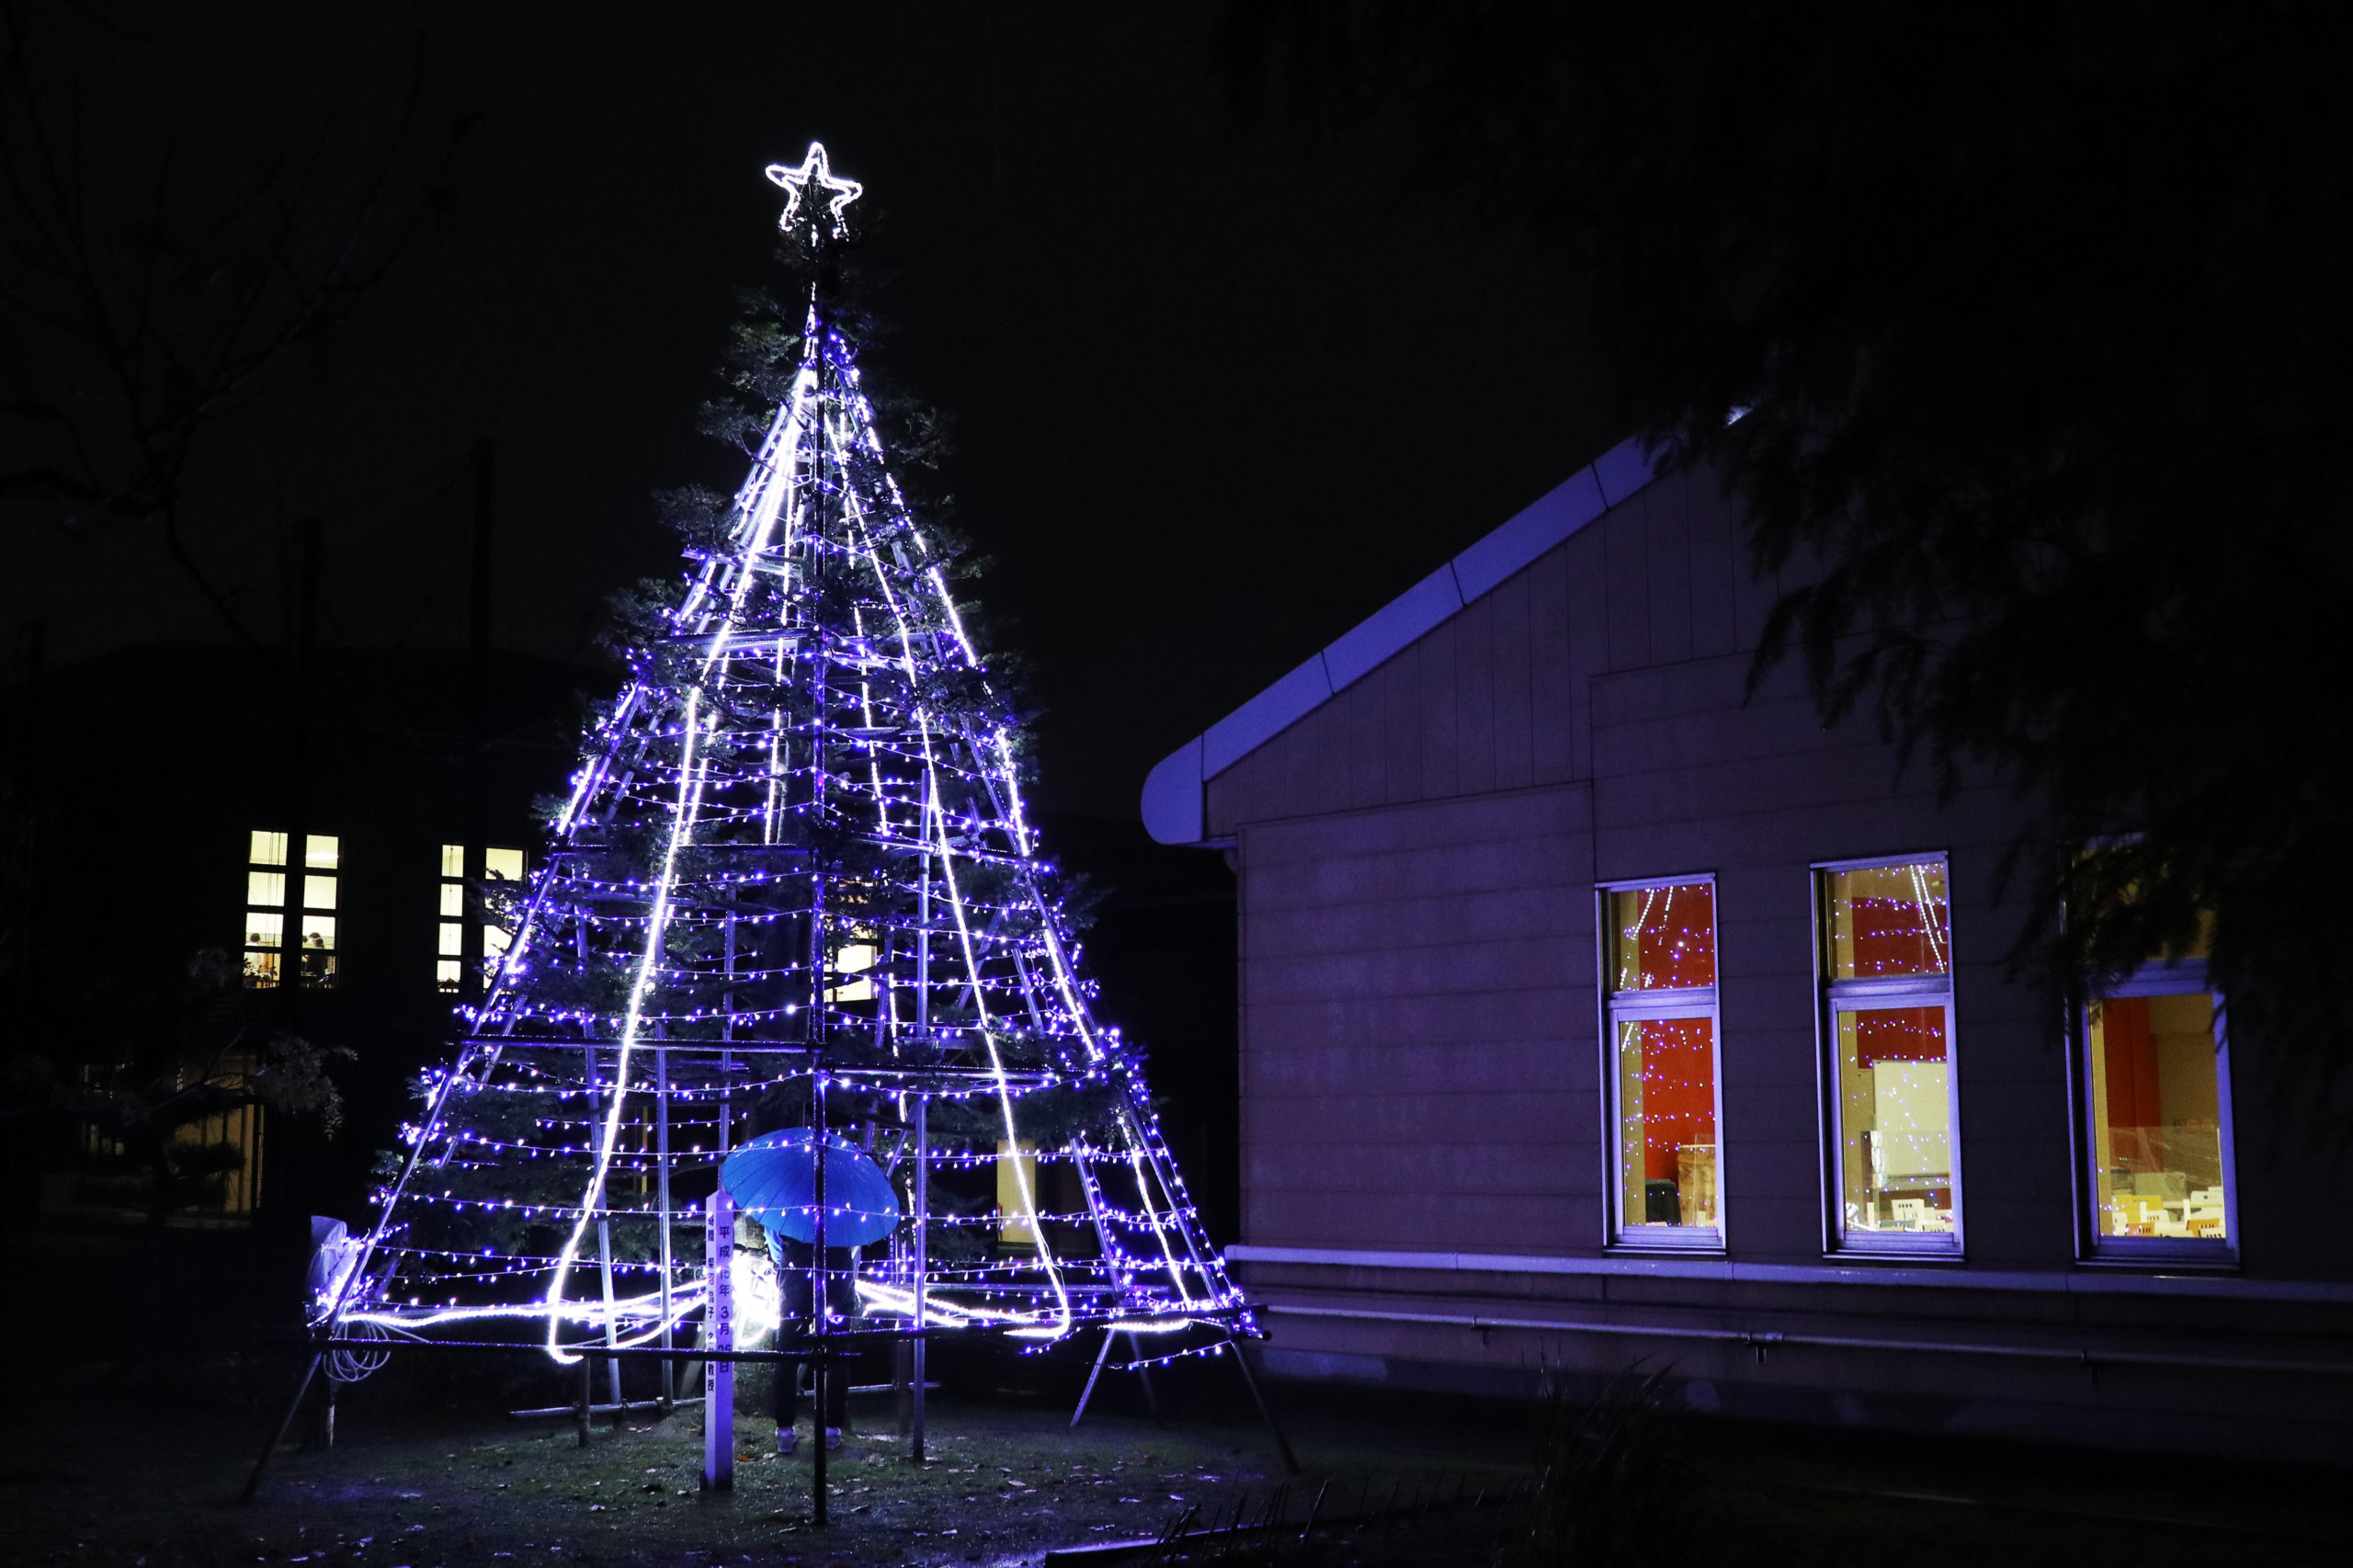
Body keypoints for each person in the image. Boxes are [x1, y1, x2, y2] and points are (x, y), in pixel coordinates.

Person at [764, 1221, 858, 1454]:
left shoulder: (789, 1193)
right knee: (838, 1350)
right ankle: (832, 1429)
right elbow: (855, 1235)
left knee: (787, 1351)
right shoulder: (843, 1195)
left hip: (796, 1267)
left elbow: (773, 1235)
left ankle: (784, 1430)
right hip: (837, 1266)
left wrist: (786, 1255)